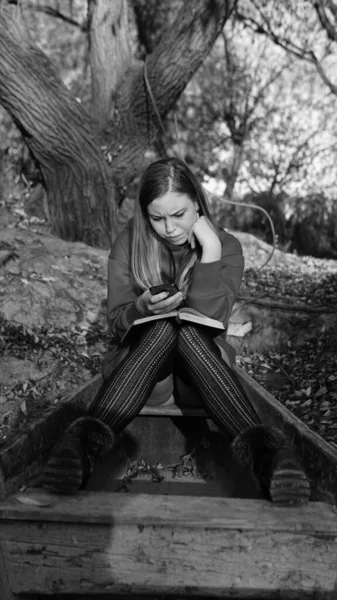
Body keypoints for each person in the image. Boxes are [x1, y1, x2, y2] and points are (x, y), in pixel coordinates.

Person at [42, 157, 310, 504]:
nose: (168, 228)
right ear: (144, 214)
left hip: (203, 378)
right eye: (157, 218)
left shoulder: (226, 246)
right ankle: (79, 452)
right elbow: (116, 321)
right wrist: (139, 309)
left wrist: (210, 251)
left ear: (197, 202)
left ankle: (269, 461)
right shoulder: (129, 243)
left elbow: (211, 317)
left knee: (184, 330)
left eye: (178, 215)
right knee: (165, 327)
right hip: (146, 377)